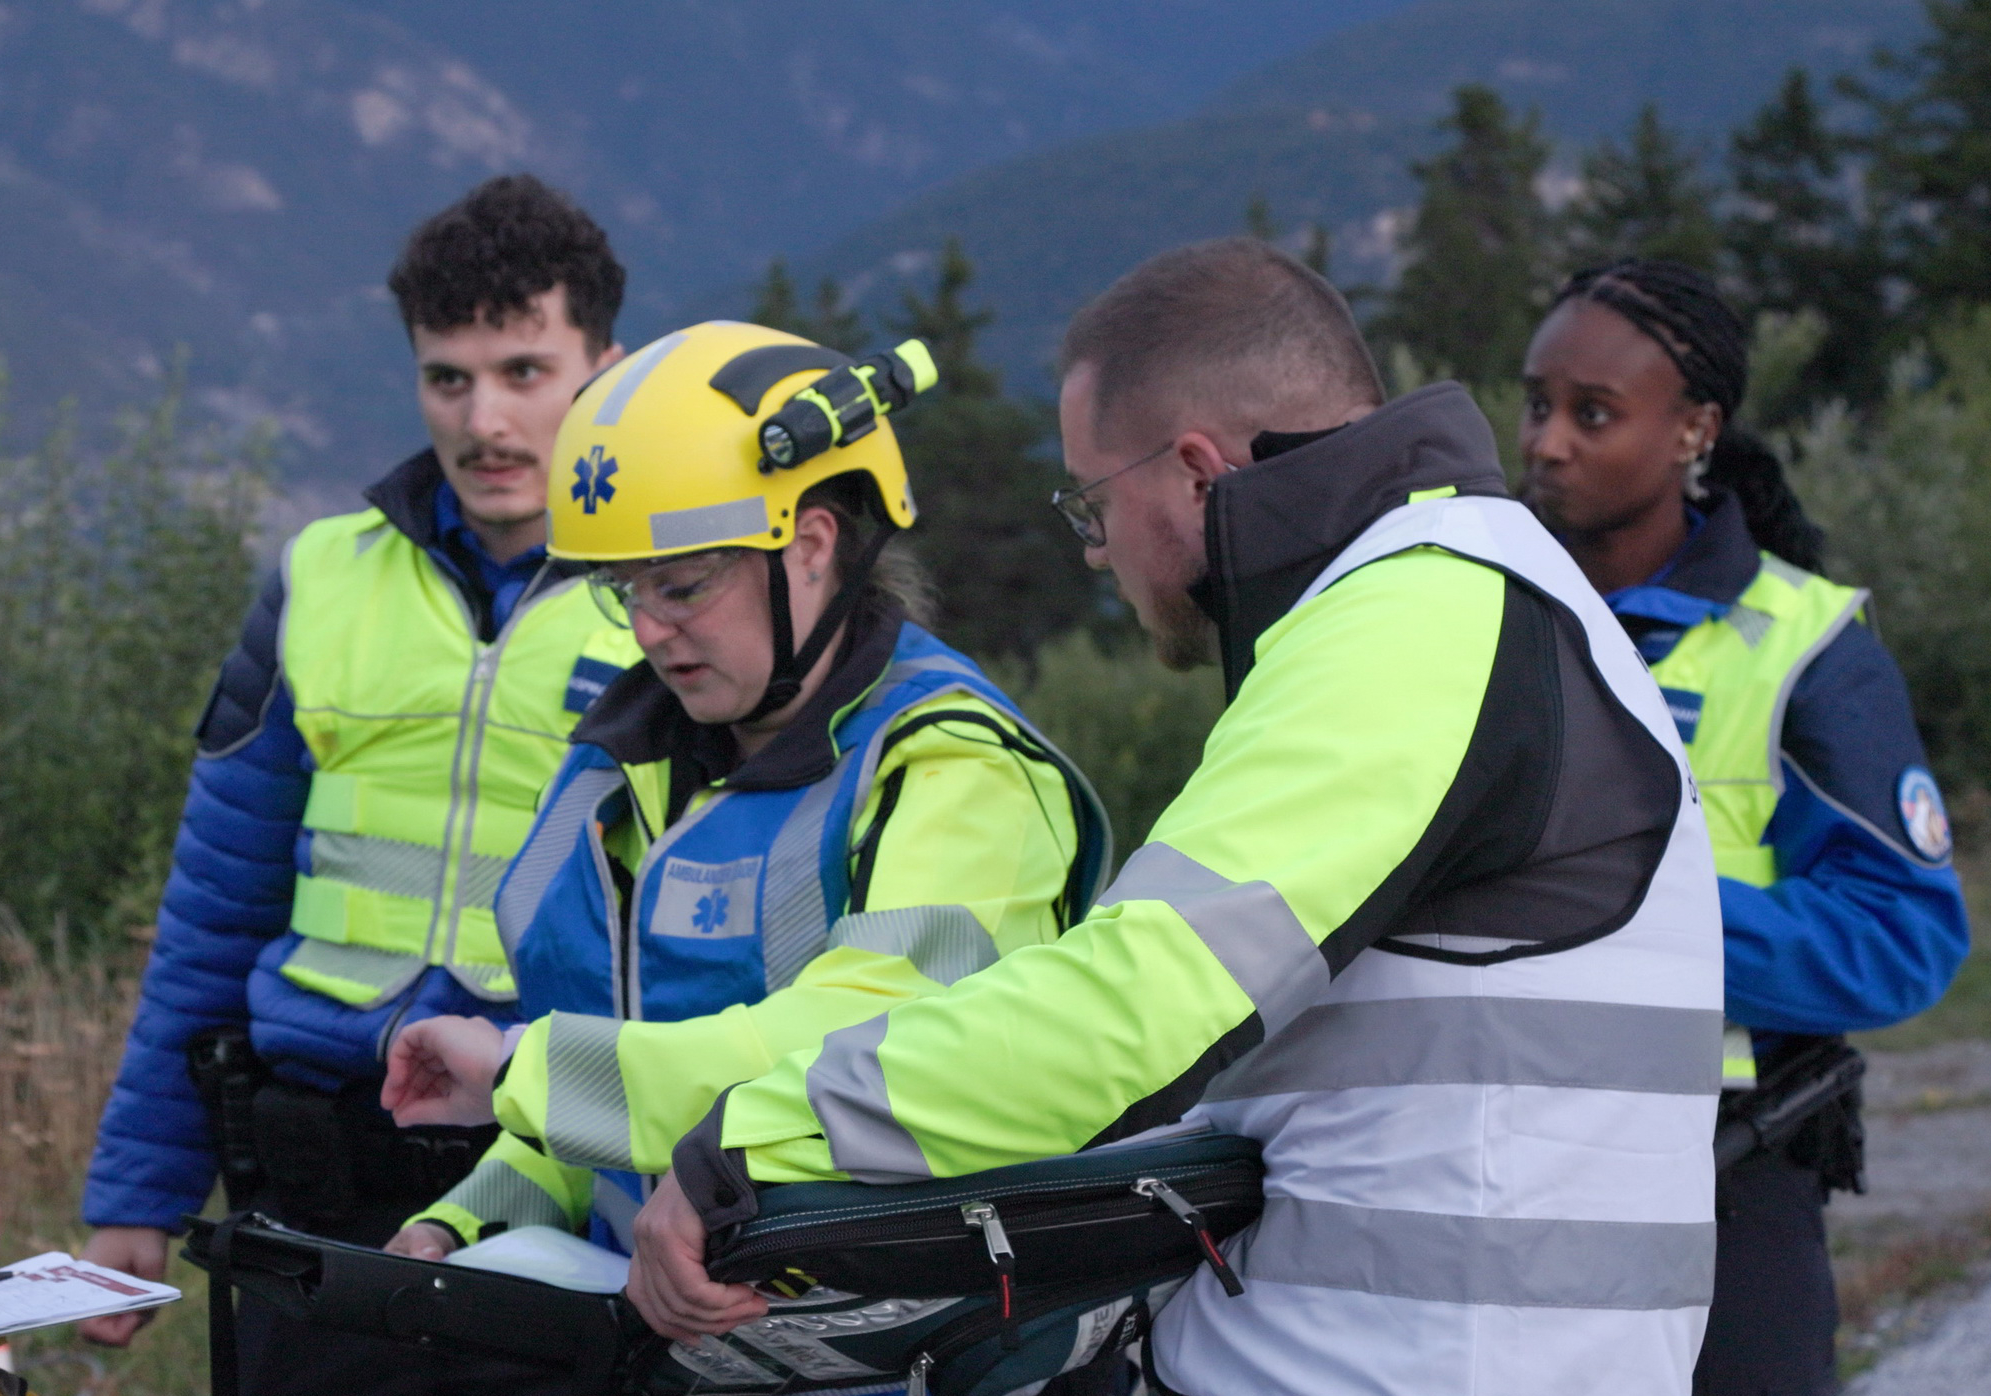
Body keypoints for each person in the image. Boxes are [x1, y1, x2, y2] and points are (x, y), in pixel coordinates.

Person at [616, 238, 1727, 1395]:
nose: (1093, 550)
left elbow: (1133, 1007)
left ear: (1195, 472)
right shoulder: (1444, 591)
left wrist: (748, 1146)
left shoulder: (1421, 615)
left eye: (1090, 504)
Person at [372, 320, 1111, 1268]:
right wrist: (464, 1221)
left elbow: (858, 1052)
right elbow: (609, 1118)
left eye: (678, 586)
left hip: (880, 1342)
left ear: (810, 545)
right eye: (621, 592)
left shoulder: (957, 772)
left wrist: (524, 1071)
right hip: (668, 1321)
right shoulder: (620, 767)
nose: (648, 631)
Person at [77, 174, 642, 1394]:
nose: (483, 419)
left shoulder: (678, 591)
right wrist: (139, 1194)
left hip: (551, 1152)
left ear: (606, 364)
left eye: (524, 372)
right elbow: (213, 912)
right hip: (312, 1158)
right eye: (448, 376)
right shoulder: (319, 578)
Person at [1518, 258, 1970, 1396]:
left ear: (1693, 430)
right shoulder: (1474, 620)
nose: (1546, 443)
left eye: (1592, 414)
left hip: (1724, 1181)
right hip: (1499, 1165)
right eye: (1534, 404)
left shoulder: (1806, 648)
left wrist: (1630, 929)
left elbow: (1903, 936)